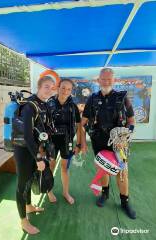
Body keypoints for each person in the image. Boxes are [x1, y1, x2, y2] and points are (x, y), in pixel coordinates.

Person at [81, 68, 136, 219]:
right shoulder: (92, 99)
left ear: (114, 81)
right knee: (103, 168)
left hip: (119, 143)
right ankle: (105, 194)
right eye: (103, 79)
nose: (106, 82)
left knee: (122, 172)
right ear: (98, 81)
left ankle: (125, 202)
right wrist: (83, 142)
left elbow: (131, 121)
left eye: (109, 79)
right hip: (98, 141)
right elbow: (83, 121)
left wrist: (125, 137)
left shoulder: (122, 97)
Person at [14, 76, 55, 235]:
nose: (49, 90)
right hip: (24, 150)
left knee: (30, 179)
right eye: (46, 86)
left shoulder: (42, 104)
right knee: (22, 185)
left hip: (33, 149)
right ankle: (24, 221)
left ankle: (29, 206)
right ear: (38, 87)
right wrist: (38, 158)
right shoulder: (30, 106)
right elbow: (27, 136)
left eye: (52, 87)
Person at [47, 78, 81, 205]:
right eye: (63, 88)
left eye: (69, 89)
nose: (65, 91)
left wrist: (79, 144)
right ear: (58, 87)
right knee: (51, 166)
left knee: (65, 168)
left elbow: (78, 126)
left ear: (71, 91)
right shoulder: (49, 103)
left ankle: (65, 192)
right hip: (52, 141)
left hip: (67, 141)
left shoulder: (73, 107)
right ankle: (49, 190)